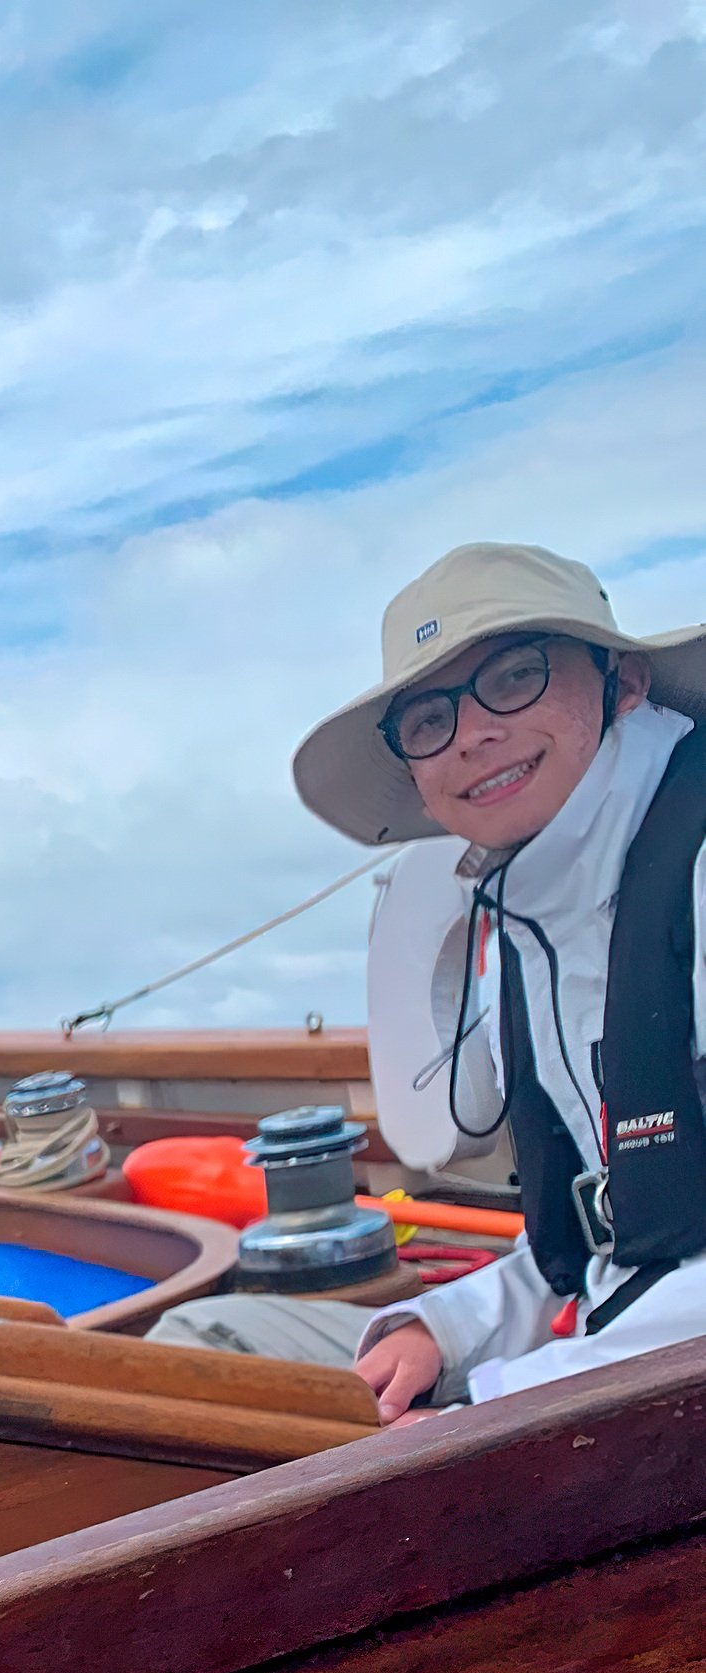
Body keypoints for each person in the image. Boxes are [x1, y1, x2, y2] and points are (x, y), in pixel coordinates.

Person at [157, 543, 706, 1419]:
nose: (472, 734)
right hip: (601, 1362)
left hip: (651, 1398)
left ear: (624, 682)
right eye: (428, 719)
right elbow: (597, 1242)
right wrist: (438, 1331)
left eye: (516, 676)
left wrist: (486, 1406)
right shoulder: (526, 913)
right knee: (196, 1350)